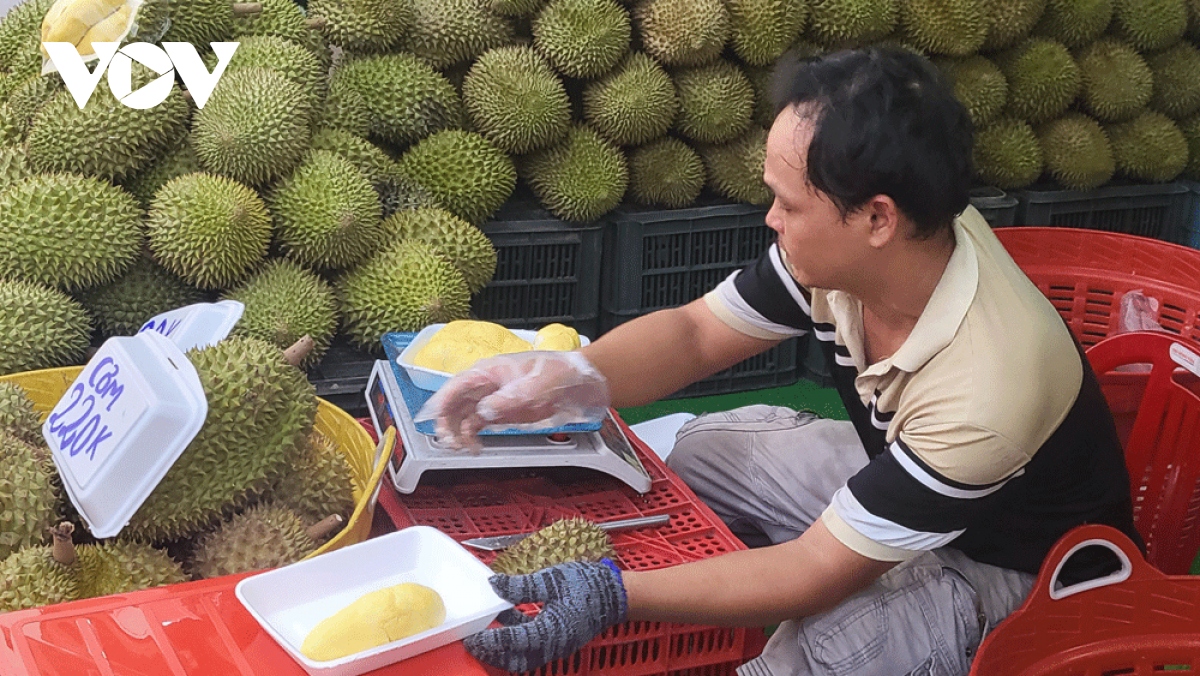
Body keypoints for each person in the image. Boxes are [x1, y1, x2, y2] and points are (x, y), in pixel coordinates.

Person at [418, 45, 1142, 675]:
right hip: (909, 469)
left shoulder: (987, 387)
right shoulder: (870, 248)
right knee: (693, 452)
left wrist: (617, 592)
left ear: (876, 218)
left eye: (788, 204)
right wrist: (569, 378)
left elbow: (813, 572)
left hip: (1023, 571)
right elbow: (699, 332)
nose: (771, 220)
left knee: (819, 647)